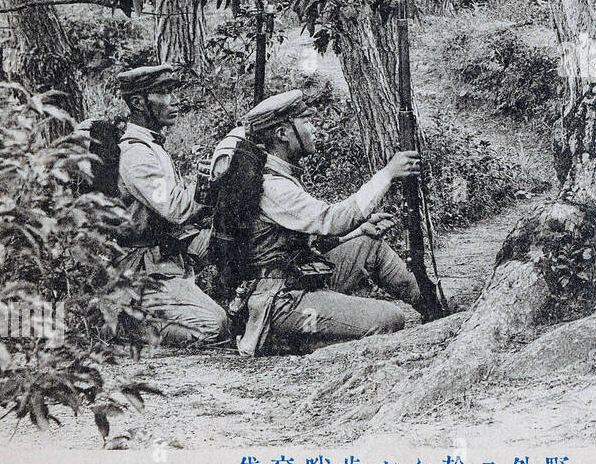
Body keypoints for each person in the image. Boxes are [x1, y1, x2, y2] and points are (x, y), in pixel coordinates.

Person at [221, 90, 427, 356]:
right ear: (283, 134)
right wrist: (387, 174)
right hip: (279, 304)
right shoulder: (272, 186)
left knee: (369, 244)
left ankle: (433, 305)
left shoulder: (280, 175)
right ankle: (288, 341)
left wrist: (358, 231)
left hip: (296, 281)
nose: (313, 128)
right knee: (388, 320)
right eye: (306, 121)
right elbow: (332, 220)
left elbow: (302, 239)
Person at [114, 63, 229, 345]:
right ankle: (126, 325)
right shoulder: (136, 155)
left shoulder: (153, 145)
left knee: (234, 241)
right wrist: (211, 182)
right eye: (164, 93)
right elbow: (176, 208)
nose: (175, 100)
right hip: (142, 265)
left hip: (168, 250)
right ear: (139, 103)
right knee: (215, 325)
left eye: (173, 91)